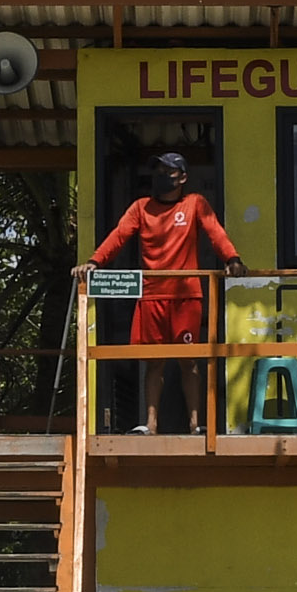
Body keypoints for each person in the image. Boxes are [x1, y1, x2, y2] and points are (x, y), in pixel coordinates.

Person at [90, 149, 241, 433]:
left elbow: (215, 232)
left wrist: (232, 258)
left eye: (168, 171)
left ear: (182, 177)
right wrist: (94, 261)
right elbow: (119, 236)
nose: (161, 176)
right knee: (154, 363)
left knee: (189, 361)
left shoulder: (195, 203)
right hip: (151, 295)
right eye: (158, 171)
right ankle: (151, 424)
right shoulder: (141, 208)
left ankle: (196, 425)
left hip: (186, 296)